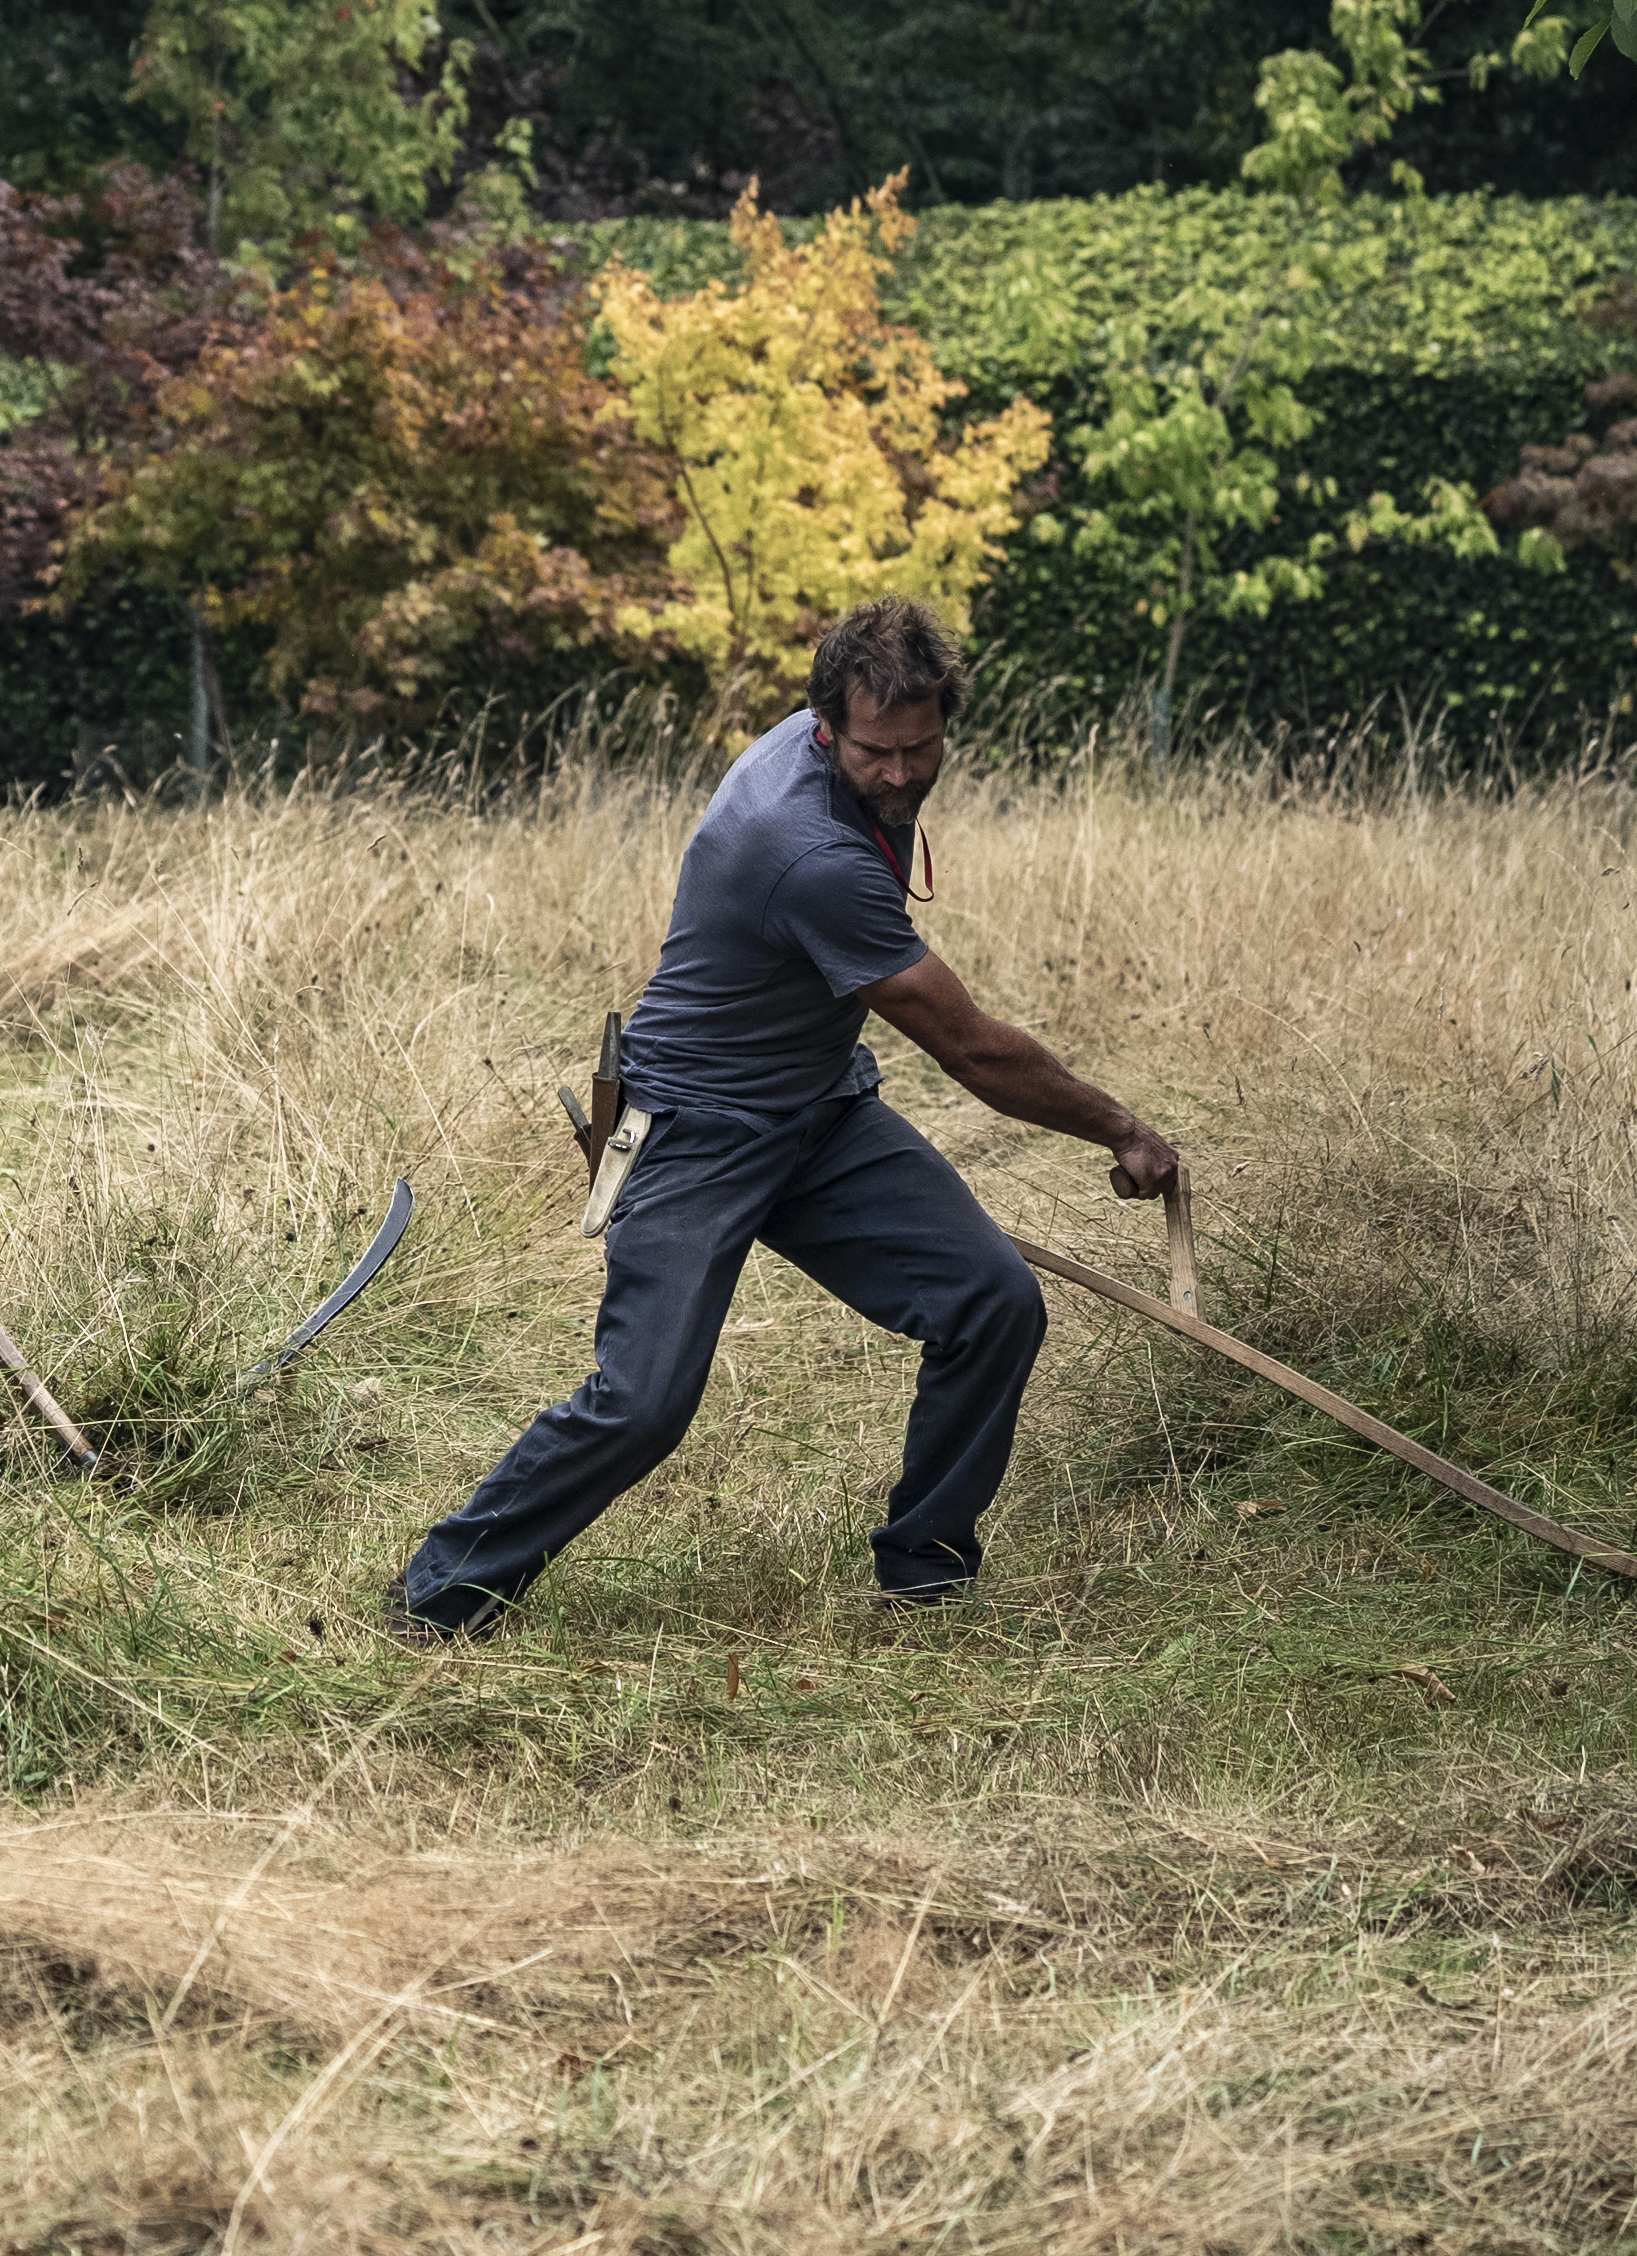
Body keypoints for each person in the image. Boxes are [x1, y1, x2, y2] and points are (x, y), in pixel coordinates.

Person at [390, 596, 1179, 1630]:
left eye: (921, 746)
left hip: (819, 1111)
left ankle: (926, 1570)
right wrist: (1120, 1126)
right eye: (876, 753)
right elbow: (972, 1048)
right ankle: (441, 1592)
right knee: (643, 1402)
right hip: (694, 1128)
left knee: (993, 1301)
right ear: (824, 727)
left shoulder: (844, 769)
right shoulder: (806, 850)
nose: (900, 772)